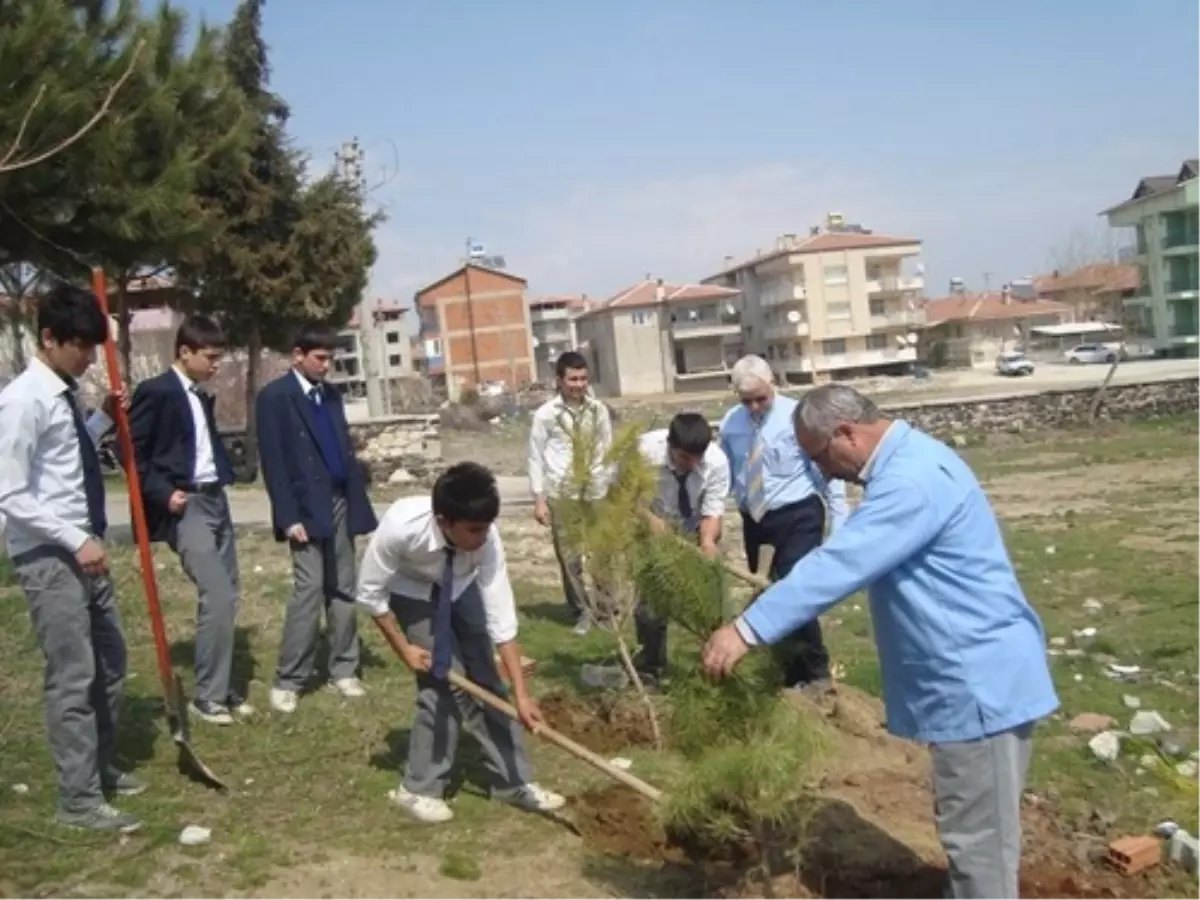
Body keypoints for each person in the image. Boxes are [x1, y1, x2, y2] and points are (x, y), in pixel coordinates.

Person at [702, 384, 1060, 900]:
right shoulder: (913, 462)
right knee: (972, 836)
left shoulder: (911, 482)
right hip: (972, 681)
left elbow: (842, 562)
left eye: (819, 457)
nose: (821, 472)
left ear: (846, 433)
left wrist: (746, 629)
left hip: (980, 687)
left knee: (980, 846)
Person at [0, 283, 143, 832]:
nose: (88, 358)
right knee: (73, 674)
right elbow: (11, 492)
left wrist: (104, 417)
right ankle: (77, 798)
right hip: (50, 556)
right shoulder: (22, 401)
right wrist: (73, 538)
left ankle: (98, 768)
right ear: (49, 339)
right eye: (80, 346)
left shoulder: (62, 393)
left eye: (92, 346)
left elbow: (66, 457)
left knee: (110, 662)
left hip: (84, 549)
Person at [356, 462, 566, 824]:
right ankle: (418, 788)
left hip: (462, 585)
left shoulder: (487, 539)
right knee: (442, 683)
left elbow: (502, 618)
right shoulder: (400, 528)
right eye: (473, 530)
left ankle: (512, 783)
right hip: (412, 591)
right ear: (443, 521)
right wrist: (404, 648)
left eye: (486, 528)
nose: (482, 537)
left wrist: (521, 694)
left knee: (487, 681)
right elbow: (370, 593)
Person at [129, 315, 248, 726]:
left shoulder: (200, 394)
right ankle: (209, 698)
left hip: (216, 499)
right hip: (186, 505)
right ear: (184, 351)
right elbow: (132, 454)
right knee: (216, 593)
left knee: (230, 592)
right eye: (210, 357)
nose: (217, 365)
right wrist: (163, 493)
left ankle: (221, 685)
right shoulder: (156, 392)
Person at [256, 324, 378, 714]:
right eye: (320, 358)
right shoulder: (275, 398)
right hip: (305, 509)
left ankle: (344, 668)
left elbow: (340, 446)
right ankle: (289, 678)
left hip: (341, 500)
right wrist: (288, 516)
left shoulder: (331, 397)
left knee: (343, 587)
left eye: (331, 358)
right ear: (298, 356)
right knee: (308, 590)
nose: (327, 366)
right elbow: (274, 462)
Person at [717, 355, 848, 694]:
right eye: (747, 401)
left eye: (761, 398)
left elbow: (826, 470)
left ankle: (817, 673)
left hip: (798, 514)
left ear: (772, 384)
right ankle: (788, 673)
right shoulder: (732, 424)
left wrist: (839, 516)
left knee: (796, 589)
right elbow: (727, 475)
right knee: (767, 592)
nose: (756, 407)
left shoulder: (797, 418)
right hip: (756, 520)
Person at [634, 412, 730, 685]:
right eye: (685, 458)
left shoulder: (717, 461)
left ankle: (713, 666)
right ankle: (651, 667)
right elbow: (621, 496)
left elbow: (713, 511)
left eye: (698, 457)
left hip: (694, 527)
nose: (693, 464)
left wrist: (707, 542)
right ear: (670, 446)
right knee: (651, 607)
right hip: (651, 528)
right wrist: (648, 519)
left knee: (709, 601)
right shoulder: (643, 452)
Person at [527, 351, 612, 635]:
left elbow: (607, 449)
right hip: (563, 494)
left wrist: (610, 487)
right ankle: (582, 611)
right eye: (573, 379)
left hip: (596, 490)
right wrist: (539, 499)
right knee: (570, 558)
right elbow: (535, 457)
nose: (579, 384)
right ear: (560, 381)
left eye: (584, 378)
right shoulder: (546, 415)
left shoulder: (598, 410)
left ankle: (605, 609)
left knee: (603, 552)